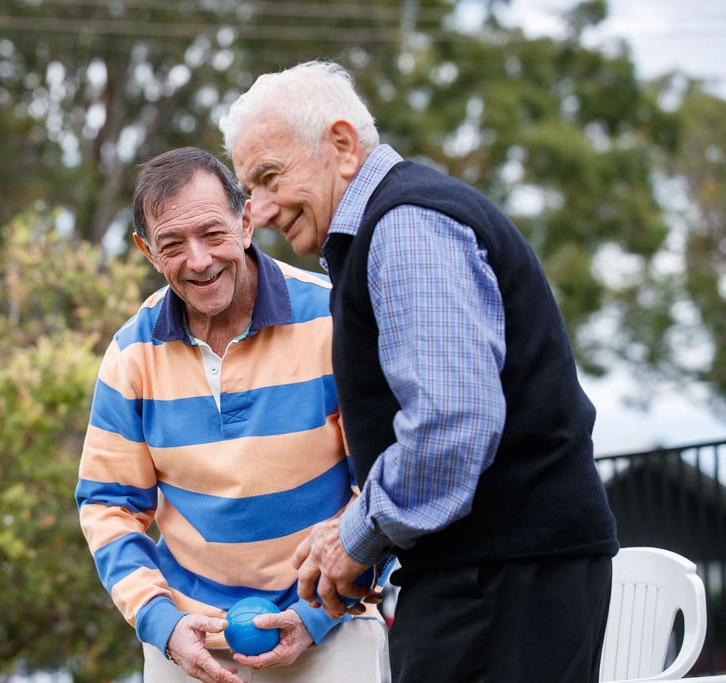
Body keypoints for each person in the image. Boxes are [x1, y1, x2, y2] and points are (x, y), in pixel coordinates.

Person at [220, 61, 619, 683]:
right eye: (251, 189)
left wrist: (356, 535)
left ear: (343, 146)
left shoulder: (406, 225)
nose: (262, 211)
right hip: (496, 572)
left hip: (504, 576)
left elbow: (451, 423)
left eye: (270, 178)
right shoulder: (386, 227)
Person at [75, 146, 387, 683]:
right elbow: (109, 506)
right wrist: (161, 621)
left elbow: (382, 483)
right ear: (147, 251)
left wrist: (315, 613)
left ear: (245, 220)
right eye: (172, 244)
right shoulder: (131, 354)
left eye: (212, 234)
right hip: (188, 640)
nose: (198, 260)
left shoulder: (333, 319)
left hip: (333, 626)